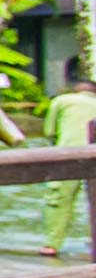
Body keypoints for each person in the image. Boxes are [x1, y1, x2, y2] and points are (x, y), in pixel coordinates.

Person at [41, 64, 96, 256]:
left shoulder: (62, 100)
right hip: (93, 155)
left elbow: (50, 131)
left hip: (68, 155)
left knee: (58, 199)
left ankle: (52, 244)